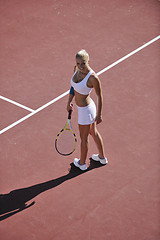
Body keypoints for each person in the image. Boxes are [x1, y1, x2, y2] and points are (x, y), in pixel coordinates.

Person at [67, 49, 108, 171]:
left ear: (88, 61)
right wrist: (69, 102)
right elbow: (73, 87)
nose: (80, 66)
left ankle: (82, 163)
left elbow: (100, 96)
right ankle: (102, 158)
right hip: (83, 109)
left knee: (84, 138)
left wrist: (99, 114)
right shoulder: (76, 69)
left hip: (86, 110)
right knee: (93, 132)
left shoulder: (93, 78)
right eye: (78, 63)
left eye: (83, 63)